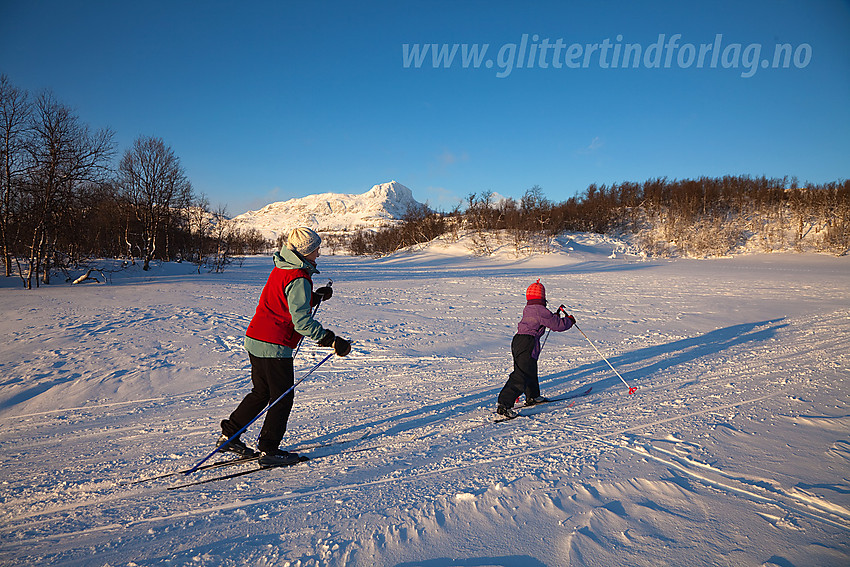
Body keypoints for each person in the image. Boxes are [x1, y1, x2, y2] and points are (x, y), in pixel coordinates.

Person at [219, 227, 351, 467]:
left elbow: (285, 300)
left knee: (262, 392)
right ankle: (269, 449)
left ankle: (230, 435)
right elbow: (301, 323)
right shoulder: (299, 277)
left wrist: (315, 297)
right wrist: (332, 340)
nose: (318, 254)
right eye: (315, 249)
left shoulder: (282, 267)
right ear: (304, 252)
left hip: (256, 338)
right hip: (274, 345)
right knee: (281, 398)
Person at [496, 279, 575, 419]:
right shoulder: (540, 309)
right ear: (542, 296)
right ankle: (504, 404)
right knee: (521, 374)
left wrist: (554, 316)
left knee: (530, 369)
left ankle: (532, 396)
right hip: (527, 342)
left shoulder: (530, 308)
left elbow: (547, 319)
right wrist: (569, 321)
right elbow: (557, 325)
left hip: (519, 341)